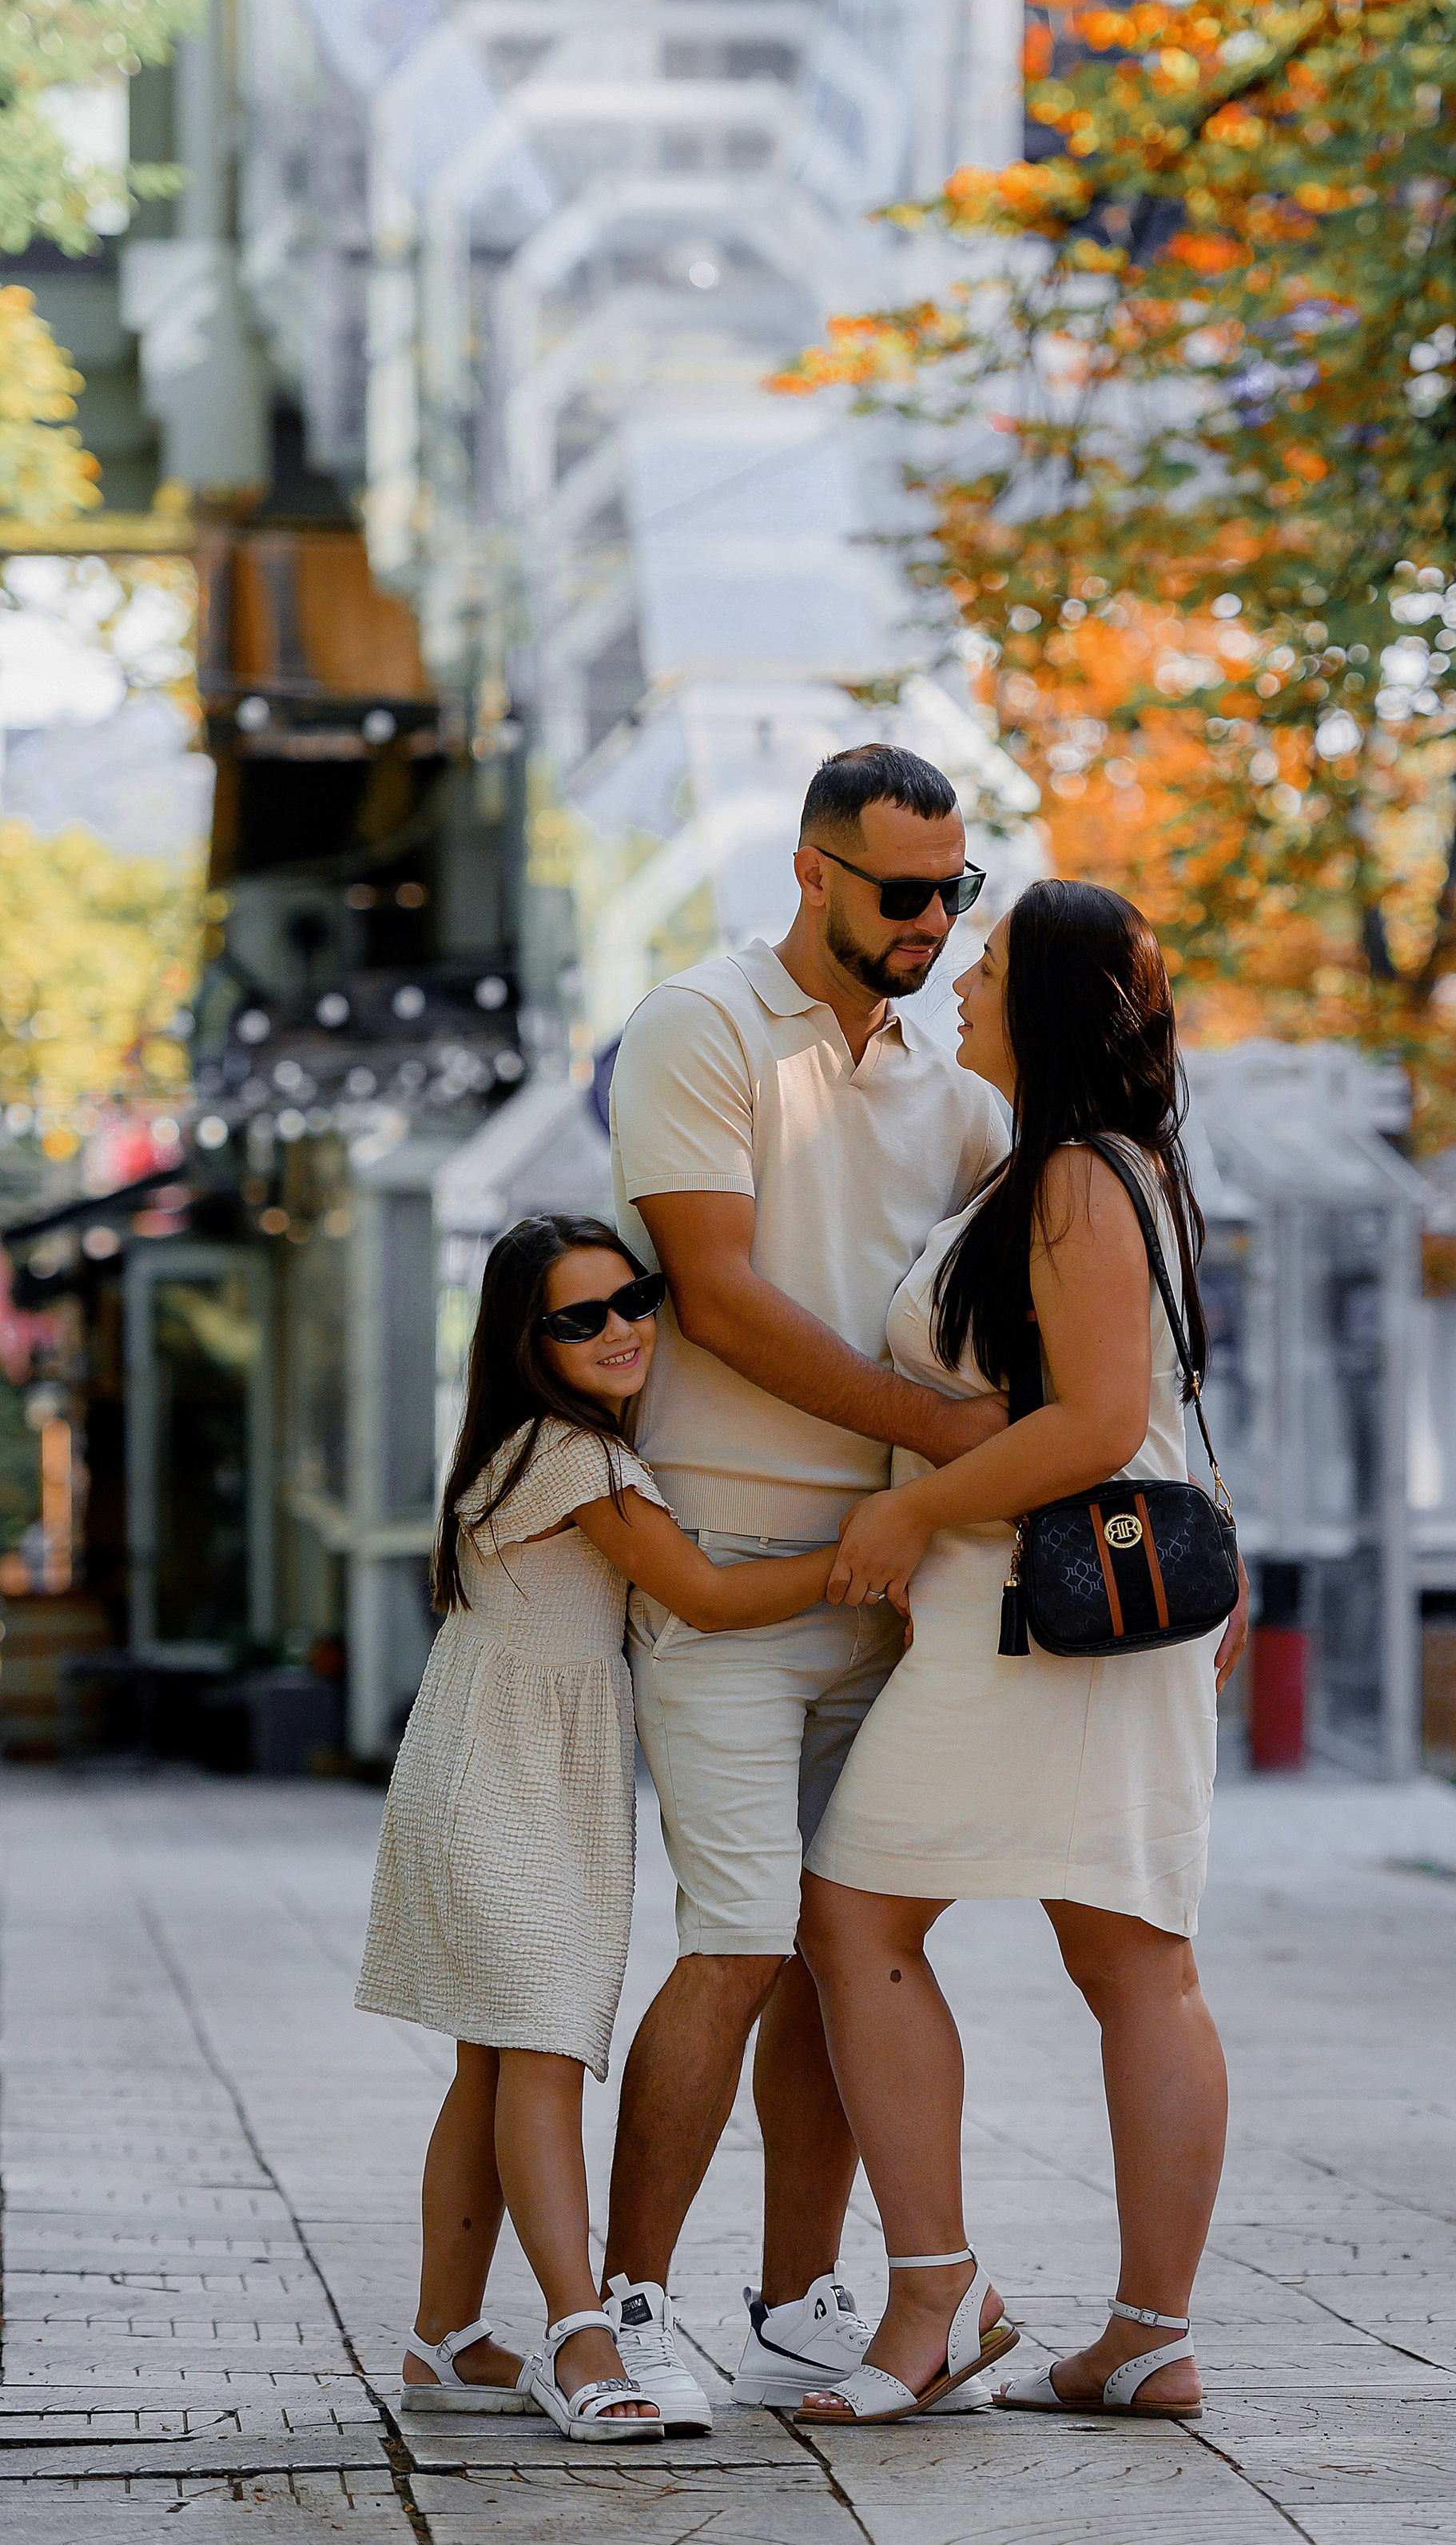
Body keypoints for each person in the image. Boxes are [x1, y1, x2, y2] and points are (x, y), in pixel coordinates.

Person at [793, 879, 1250, 2425]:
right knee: (1129, 1961)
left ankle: (947, 2297)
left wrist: (911, 1512)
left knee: (865, 1914)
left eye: (988, 966)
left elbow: (1102, 1422)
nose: (961, 986)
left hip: (1036, 1622)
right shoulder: (1101, 1165)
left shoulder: (1072, 1176)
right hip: (1060, 1624)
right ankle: (1137, 2334)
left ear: (1045, 1001)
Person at [597, 744, 1012, 2419]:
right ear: (811, 871)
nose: (931, 921)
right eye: (902, 890)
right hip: (727, 1564)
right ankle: (626, 2305)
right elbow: (713, 1294)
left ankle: (797, 2295)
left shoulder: (960, 1097)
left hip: (901, 1591)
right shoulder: (698, 1027)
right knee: (739, 1936)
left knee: (856, 1948)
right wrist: (935, 1431)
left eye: (954, 891)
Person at [355, 1214, 843, 2444]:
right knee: (540, 2049)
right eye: (582, 1318)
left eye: (636, 1300)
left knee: (492, 2059)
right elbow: (707, 1596)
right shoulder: (573, 1456)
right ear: (529, 1341)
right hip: (511, 1781)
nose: (622, 1330)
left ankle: (443, 2335)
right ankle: (582, 2335)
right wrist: (879, 1553)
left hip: (497, 1764)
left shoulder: (523, 1442)